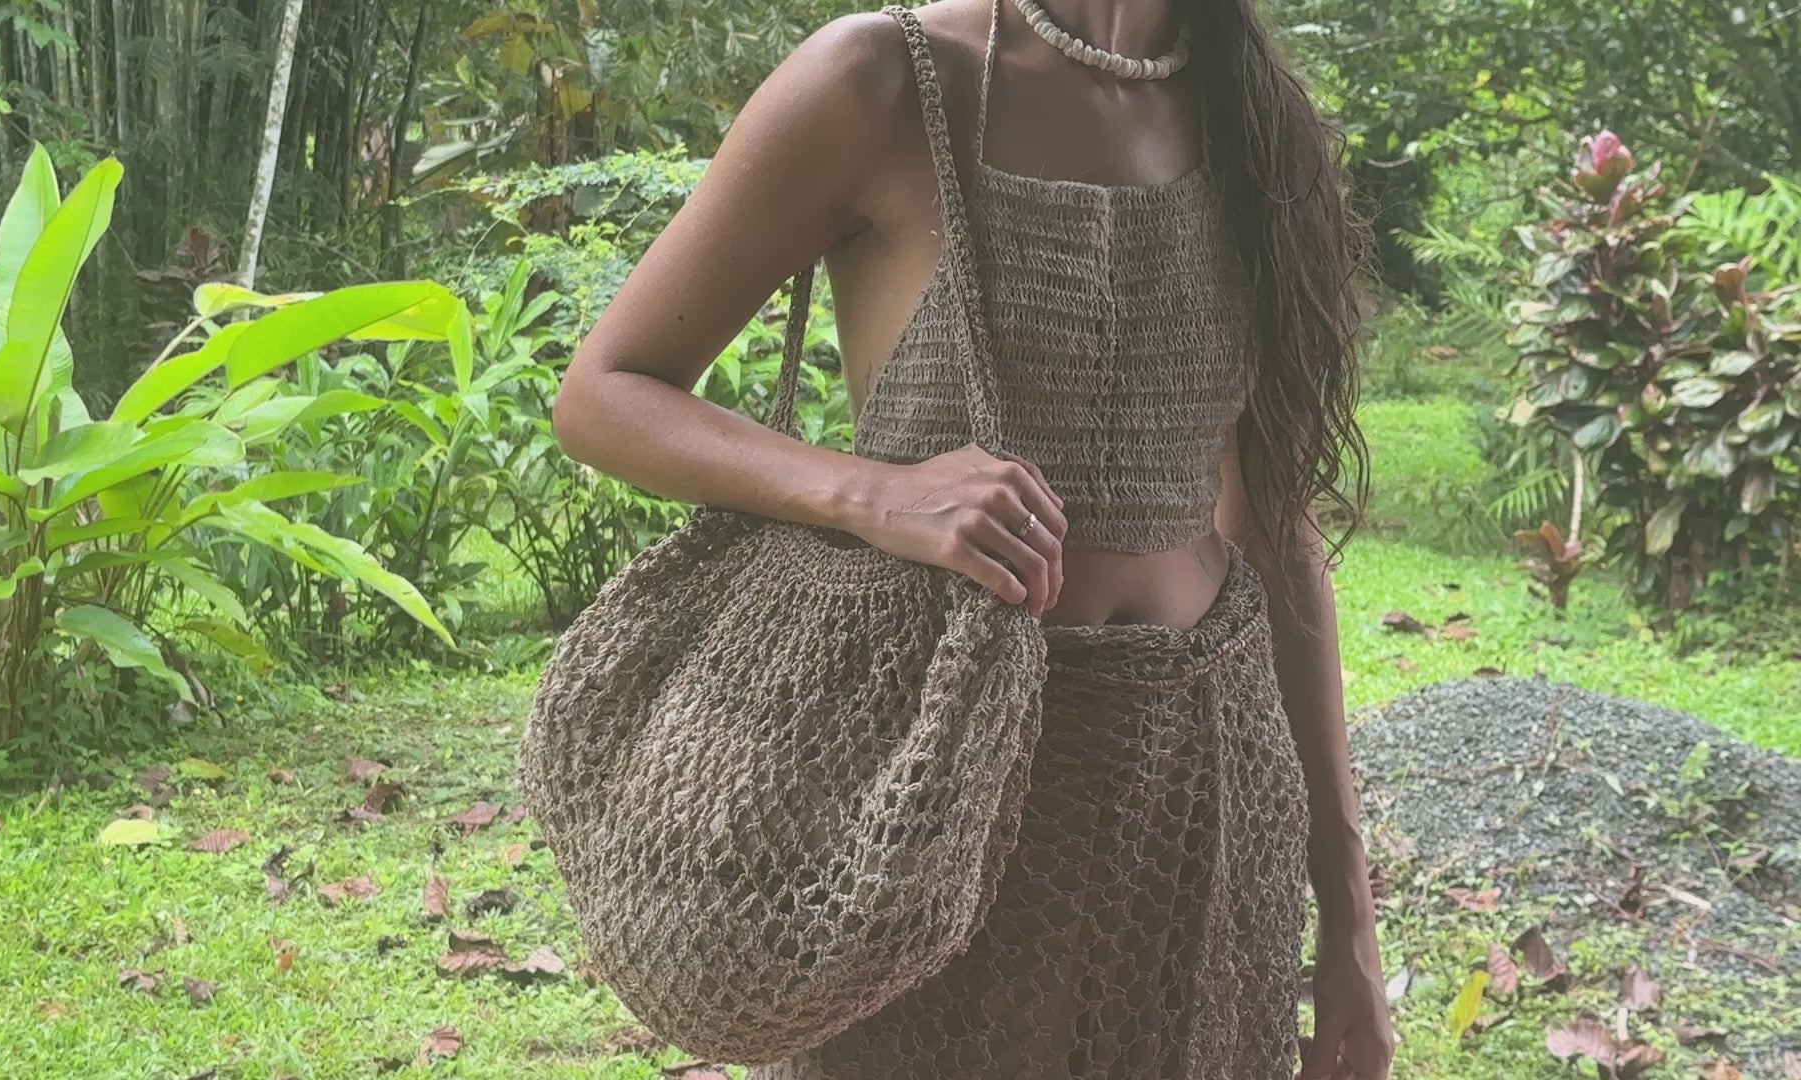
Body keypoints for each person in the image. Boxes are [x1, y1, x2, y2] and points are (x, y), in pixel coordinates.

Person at [551, 0, 1392, 1076]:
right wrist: (869, 494)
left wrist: (1351, 926)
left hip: (1206, 802)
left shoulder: (1259, 124)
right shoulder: (883, 81)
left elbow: (1277, 527)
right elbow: (604, 393)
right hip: (935, 786)